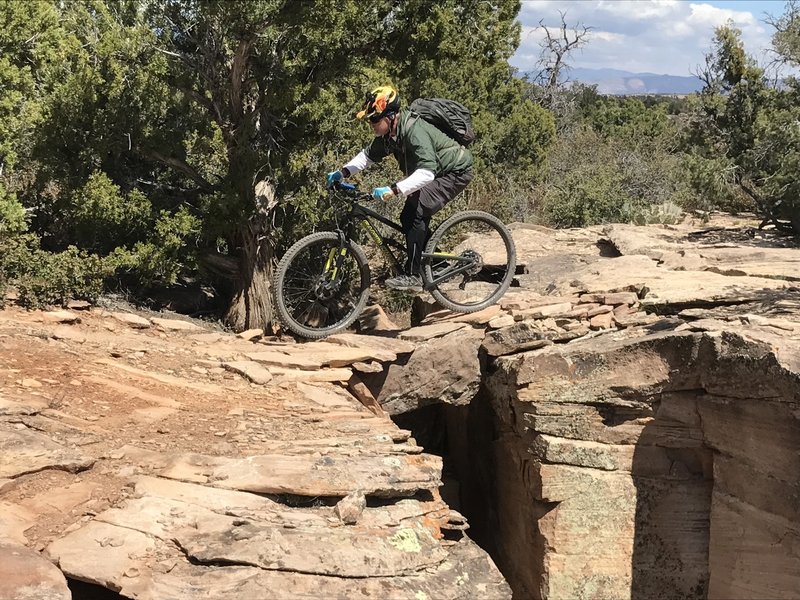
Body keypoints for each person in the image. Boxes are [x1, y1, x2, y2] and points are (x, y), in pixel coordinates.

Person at [326, 85, 474, 292]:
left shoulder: (414, 130)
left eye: (375, 119)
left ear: (390, 116)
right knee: (408, 216)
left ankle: (413, 276)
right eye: (370, 119)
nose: (371, 124)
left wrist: (394, 189)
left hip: (455, 172)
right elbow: (367, 156)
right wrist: (342, 173)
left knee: (416, 211)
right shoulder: (389, 135)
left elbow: (428, 172)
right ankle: (438, 264)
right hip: (436, 171)